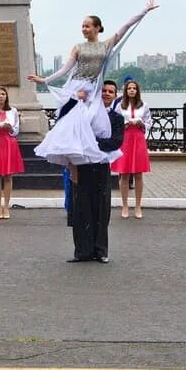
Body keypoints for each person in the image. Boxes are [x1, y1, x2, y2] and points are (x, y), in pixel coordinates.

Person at [27, 0, 158, 180]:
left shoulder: (106, 44)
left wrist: (144, 11)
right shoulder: (78, 47)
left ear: (97, 28)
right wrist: (45, 80)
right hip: (78, 89)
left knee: (95, 126)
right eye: (82, 26)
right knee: (74, 128)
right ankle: (73, 174)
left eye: (87, 26)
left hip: (94, 90)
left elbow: (126, 26)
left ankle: (91, 167)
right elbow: (65, 70)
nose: (84, 29)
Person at [68, 80, 125, 263]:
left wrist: (92, 143)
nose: (106, 94)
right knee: (81, 208)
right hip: (82, 166)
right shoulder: (83, 114)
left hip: (101, 166)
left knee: (101, 208)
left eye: (110, 91)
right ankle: (82, 251)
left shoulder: (116, 118)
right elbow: (73, 136)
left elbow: (115, 142)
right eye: (104, 91)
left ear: (115, 96)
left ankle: (101, 251)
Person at [112, 79, 152, 219]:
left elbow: (149, 121)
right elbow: (115, 122)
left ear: (137, 90)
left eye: (134, 88)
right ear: (125, 90)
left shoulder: (144, 105)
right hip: (125, 139)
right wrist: (125, 124)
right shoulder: (119, 106)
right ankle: (124, 205)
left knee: (138, 174)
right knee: (124, 174)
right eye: (129, 88)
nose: (132, 90)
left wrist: (142, 124)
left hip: (138, 139)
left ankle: (138, 205)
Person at [0, 86, 24, 220]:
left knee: (8, 175)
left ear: (6, 96)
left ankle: (6, 206)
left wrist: (10, 127)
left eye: (3, 94)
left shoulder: (13, 111)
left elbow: (16, 130)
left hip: (9, 142)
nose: (1, 96)